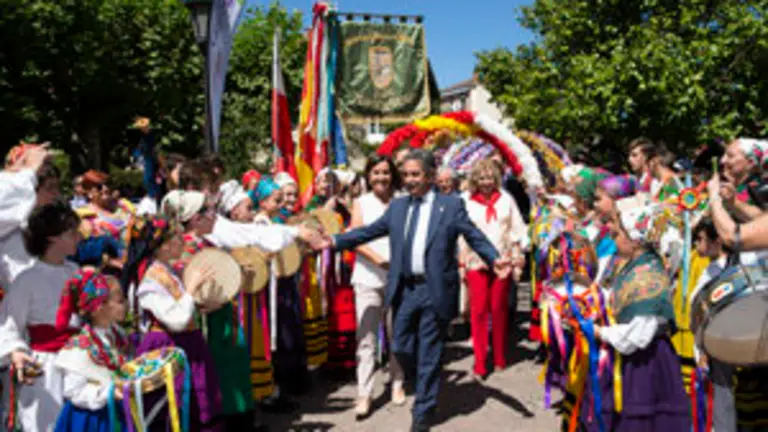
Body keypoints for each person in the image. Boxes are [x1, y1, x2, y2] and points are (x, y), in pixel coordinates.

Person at [318, 149, 513, 431]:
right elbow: (368, 231)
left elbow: (474, 235)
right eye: (406, 175)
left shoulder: (451, 205)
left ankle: (422, 411)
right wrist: (334, 241)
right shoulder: (398, 208)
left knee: (429, 352)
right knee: (400, 346)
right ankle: (422, 373)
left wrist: (495, 259)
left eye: (415, 175)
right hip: (405, 289)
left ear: (430, 177)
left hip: (434, 289)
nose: (409, 180)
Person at [579, 202, 690, 432]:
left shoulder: (648, 276)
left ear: (636, 240)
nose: (612, 235)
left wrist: (599, 332)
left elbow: (638, 335)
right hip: (629, 359)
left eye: (618, 233)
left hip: (645, 363)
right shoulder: (631, 265)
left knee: (640, 420)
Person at [122, 215, 223, 432]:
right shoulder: (151, 279)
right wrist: (192, 290)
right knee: (175, 406)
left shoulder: (167, 271)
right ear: (164, 246)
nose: (183, 242)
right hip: (168, 347)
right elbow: (176, 320)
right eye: (178, 238)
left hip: (187, 344)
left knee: (194, 403)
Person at [0, 201, 81, 432]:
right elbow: (8, 324)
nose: (79, 237)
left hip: (78, 360)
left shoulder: (76, 272)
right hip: (47, 365)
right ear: (52, 238)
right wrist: (15, 351)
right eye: (72, 232)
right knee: (47, 421)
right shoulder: (27, 280)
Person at [349, 155, 405, 418]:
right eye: (376, 173)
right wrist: (380, 261)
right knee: (366, 339)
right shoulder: (360, 203)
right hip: (368, 278)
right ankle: (364, 392)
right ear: (368, 176)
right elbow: (354, 238)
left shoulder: (403, 200)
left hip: (399, 279)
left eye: (385, 172)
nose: (381, 177)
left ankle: (397, 382)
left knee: (397, 334)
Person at [460, 159, 526, 381]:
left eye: (489, 178)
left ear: (496, 179)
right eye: (481, 178)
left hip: (502, 261)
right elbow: (461, 232)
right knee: (478, 311)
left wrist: (517, 254)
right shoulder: (466, 201)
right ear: (474, 180)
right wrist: (461, 259)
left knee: (498, 309)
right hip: (476, 261)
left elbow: (517, 229)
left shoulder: (506, 200)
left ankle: (499, 355)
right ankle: (479, 361)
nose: (486, 182)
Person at [53, 269, 129, 432]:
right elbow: (74, 391)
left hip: (116, 413)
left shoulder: (116, 335)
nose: (125, 304)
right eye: (120, 300)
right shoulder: (80, 348)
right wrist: (107, 393)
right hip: (91, 420)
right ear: (99, 307)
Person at [690, 219, 735, 432]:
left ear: (717, 241)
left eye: (701, 239)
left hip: (719, 348)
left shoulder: (729, 271)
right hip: (705, 346)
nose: (697, 244)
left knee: (722, 406)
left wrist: (707, 348)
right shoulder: (710, 268)